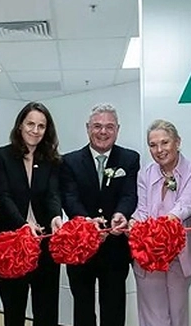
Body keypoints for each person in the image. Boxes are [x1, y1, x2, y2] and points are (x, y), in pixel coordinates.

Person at [59, 103, 139, 326]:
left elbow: (129, 194)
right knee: (82, 309)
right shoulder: (69, 161)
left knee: (113, 309)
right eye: (97, 126)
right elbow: (69, 197)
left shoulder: (130, 159)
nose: (103, 132)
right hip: (80, 247)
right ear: (88, 128)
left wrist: (121, 214)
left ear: (117, 129)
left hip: (115, 249)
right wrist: (86, 222)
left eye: (109, 127)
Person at [0, 102, 64, 326]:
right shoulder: (2, 156)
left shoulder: (52, 159)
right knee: (14, 309)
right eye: (30, 123)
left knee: (47, 310)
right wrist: (23, 223)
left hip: (44, 242)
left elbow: (52, 195)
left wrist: (55, 217)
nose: (35, 130)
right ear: (20, 125)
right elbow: (3, 196)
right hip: (11, 242)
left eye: (41, 126)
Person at [131, 119, 191, 326]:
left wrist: (157, 231)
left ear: (177, 142)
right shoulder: (144, 173)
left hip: (179, 254)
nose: (159, 150)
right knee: (153, 317)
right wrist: (133, 223)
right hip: (148, 255)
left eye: (164, 143)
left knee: (178, 315)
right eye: (153, 145)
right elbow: (142, 209)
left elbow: (186, 205)